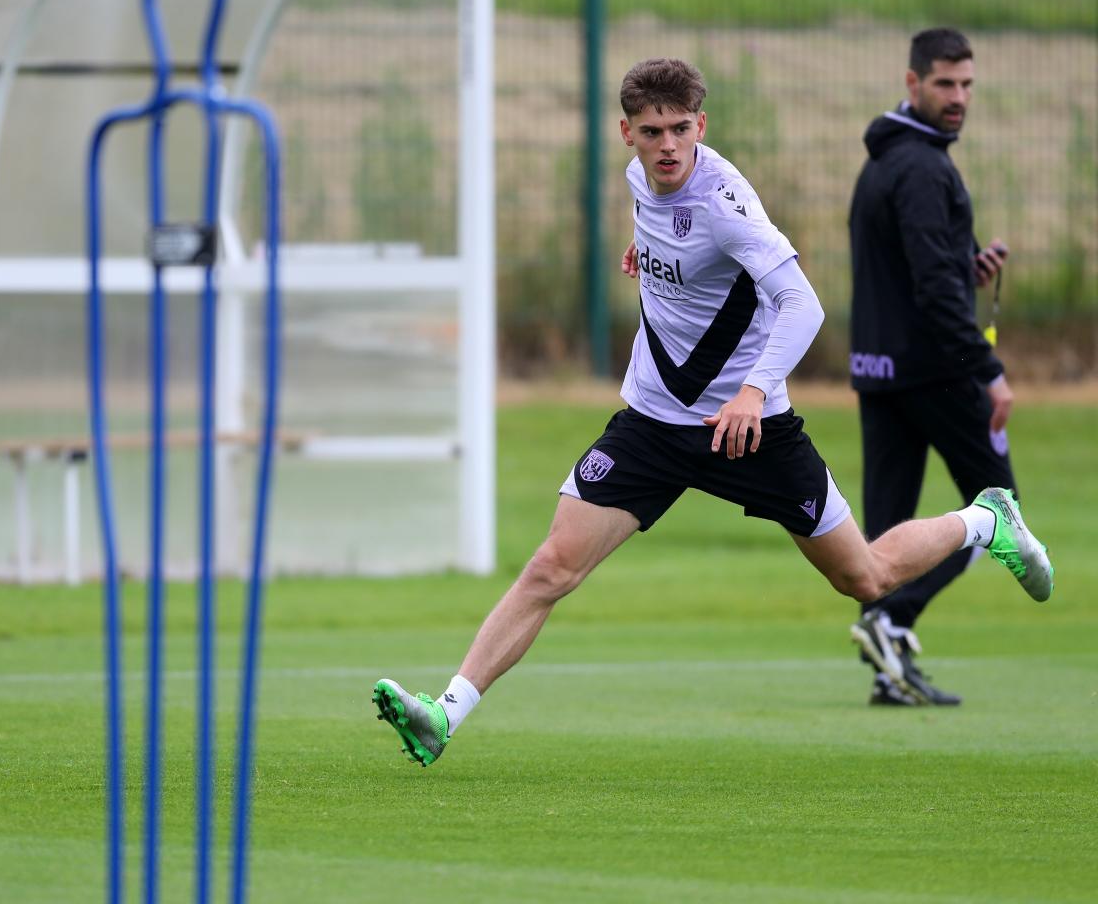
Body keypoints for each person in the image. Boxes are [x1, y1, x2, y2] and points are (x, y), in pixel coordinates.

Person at [372, 58, 1052, 767]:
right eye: (651, 131)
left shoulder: (728, 207)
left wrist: (754, 391)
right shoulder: (641, 178)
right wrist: (649, 250)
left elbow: (804, 305)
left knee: (866, 578)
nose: (667, 146)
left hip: (750, 430)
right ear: (627, 133)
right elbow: (668, 227)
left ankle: (986, 519)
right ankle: (442, 717)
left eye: (679, 130)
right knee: (550, 567)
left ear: (702, 125)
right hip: (651, 425)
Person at [846, 28, 1022, 707]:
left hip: (878, 370)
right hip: (935, 371)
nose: (959, 98)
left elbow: (915, 268)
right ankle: (892, 621)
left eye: (968, 85)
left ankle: (887, 663)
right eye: (946, 84)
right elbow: (932, 290)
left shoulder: (885, 161)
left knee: (886, 532)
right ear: (912, 82)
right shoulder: (923, 166)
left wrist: (963, 267)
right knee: (999, 515)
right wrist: (989, 368)